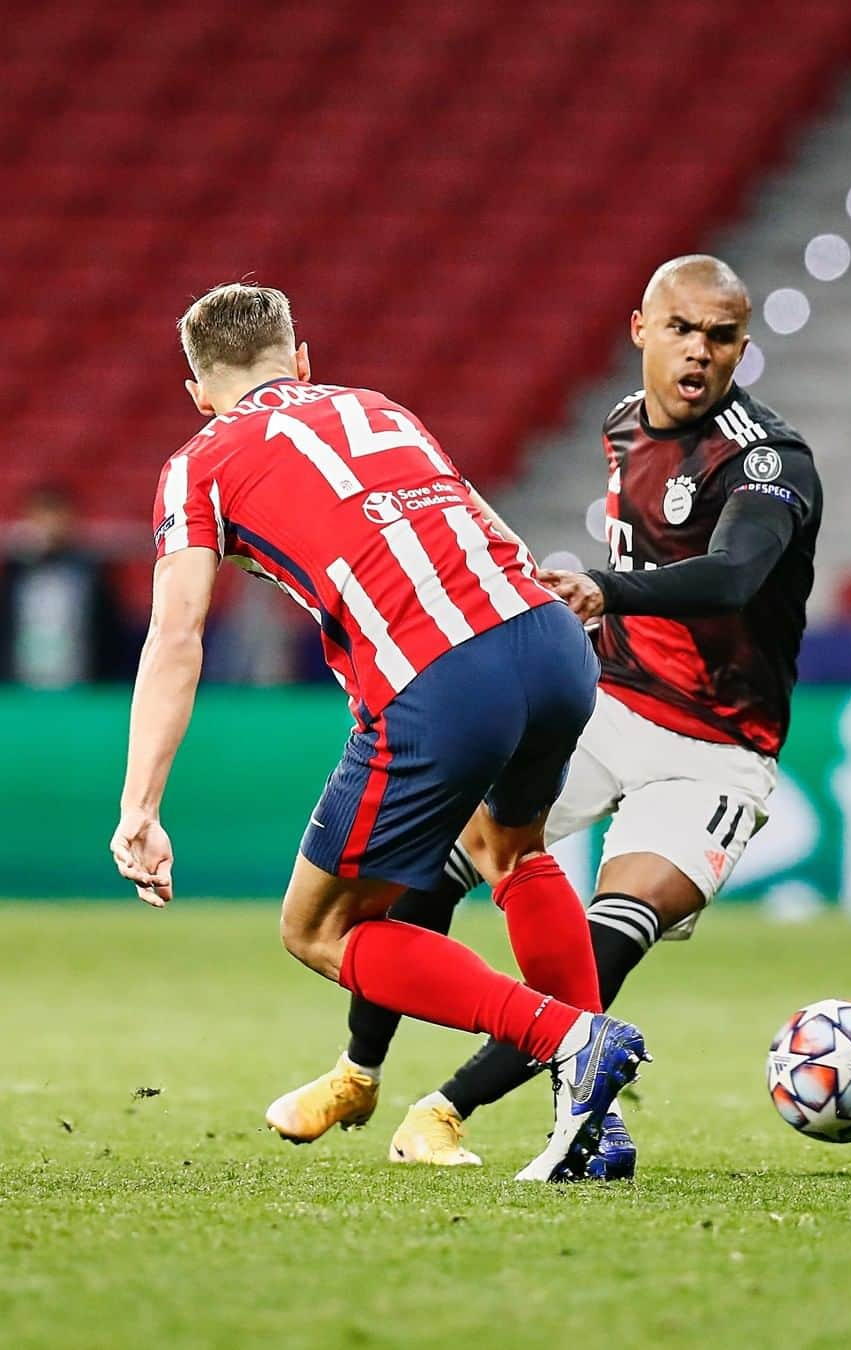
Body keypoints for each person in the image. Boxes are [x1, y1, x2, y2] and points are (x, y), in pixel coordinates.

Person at [267, 255, 823, 1179]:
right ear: (640, 328)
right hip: (608, 708)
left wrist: (603, 589)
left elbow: (735, 576)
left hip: (716, 749)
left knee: (611, 933)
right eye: (681, 329)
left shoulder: (769, 461)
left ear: (742, 348)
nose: (700, 353)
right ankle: (356, 1072)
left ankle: (447, 1110)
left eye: (721, 338)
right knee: (426, 874)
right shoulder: (619, 428)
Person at [108, 282, 649, 1183]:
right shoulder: (374, 406)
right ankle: (593, 1121)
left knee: (319, 927)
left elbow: (176, 636)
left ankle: (570, 1040)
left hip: (440, 679)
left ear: (199, 393)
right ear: (302, 359)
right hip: (549, 639)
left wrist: (140, 804)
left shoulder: (198, 461)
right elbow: (474, 521)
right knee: (508, 846)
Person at [0, 482, 133, 685]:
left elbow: (108, 630)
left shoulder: (92, 571)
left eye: (54, 515)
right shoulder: (15, 571)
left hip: (81, 685)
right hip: (21, 686)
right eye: (41, 516)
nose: (48, 525)